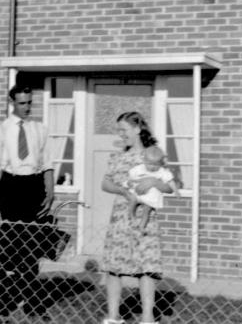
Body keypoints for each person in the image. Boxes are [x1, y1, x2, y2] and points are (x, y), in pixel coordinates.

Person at [0, 84, 55, 315]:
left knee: (31, 247)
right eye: (22, 103)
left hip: (33, 188)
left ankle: (31, 303)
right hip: (9, 188)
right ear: (12, 102)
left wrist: (50, 192)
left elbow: (48, 164)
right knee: (3, 247)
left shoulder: (40, 129)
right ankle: (1, 303)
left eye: (29, 103)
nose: (26, 107)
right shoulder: (0, 131)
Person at [101, 111, 177, 324]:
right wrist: (123, 191)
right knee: (114, 267)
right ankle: (114, 316)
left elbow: (171, 186)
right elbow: (105, 184)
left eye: (123, 130)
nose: (120, 134)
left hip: (146, 216)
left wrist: (154, 183)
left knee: (147, 267)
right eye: (119, 130)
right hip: (120, 216)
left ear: (137, 129)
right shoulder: (117, 157)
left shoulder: (153, 155)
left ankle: (147, 318)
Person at [126, 146, 173, 231]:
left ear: (160, 164)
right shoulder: (140, 168)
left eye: (155, 165)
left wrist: (156, 182)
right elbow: (132, 178)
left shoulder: (162, 171)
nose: (152, 167)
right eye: (149, 164)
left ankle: (142, 226)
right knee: (132, 199)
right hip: (139, 192)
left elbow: (170, 185)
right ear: (144, 161)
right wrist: (130, 182)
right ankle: (132, 215)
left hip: (151, 195)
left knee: (147, 210)